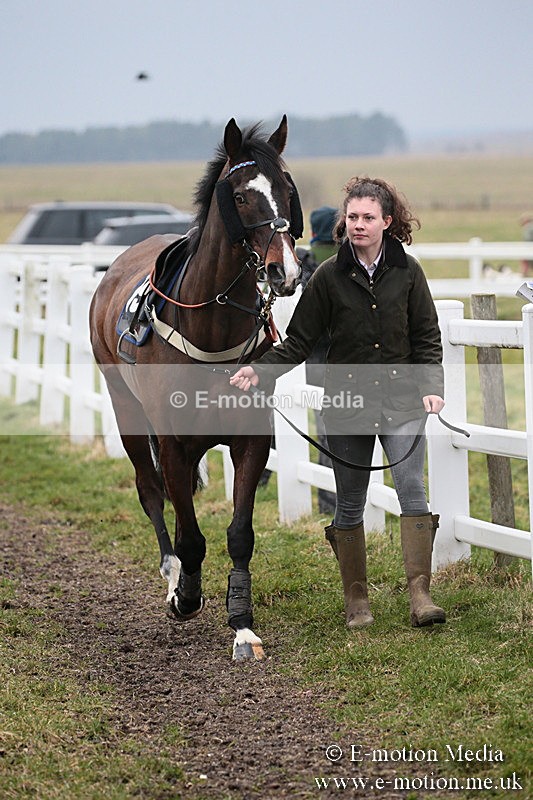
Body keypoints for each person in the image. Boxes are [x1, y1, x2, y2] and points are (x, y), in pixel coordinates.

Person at [230, 176, 446, 630]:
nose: (359, 225)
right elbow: (300, 341)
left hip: (403, 401)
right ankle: (357, 602)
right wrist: (261, 370)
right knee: (349, 503)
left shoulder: (409, 272)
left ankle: (421, 597)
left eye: (368, 217)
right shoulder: (328, 277)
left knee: (412, 490)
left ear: (387, 221)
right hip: (346, 405)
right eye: (352, 217)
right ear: (343, 222)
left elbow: (427, 335)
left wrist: (431, 385)